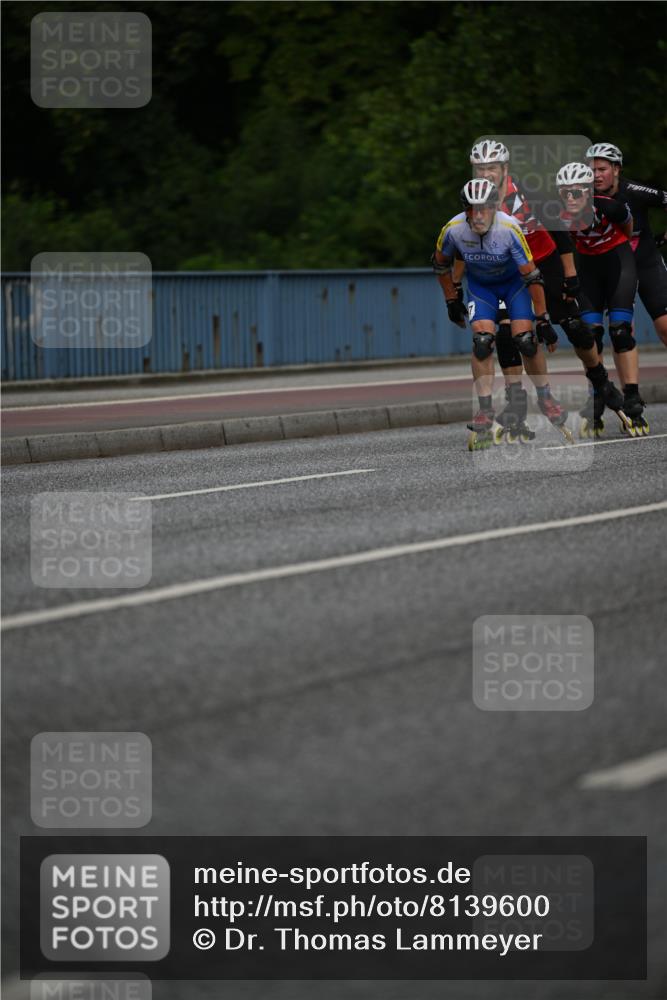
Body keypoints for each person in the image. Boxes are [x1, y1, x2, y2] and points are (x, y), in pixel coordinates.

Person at [469, 139, 593, 436]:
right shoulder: (472, 198)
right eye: (480, 168)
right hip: (508, 273)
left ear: (505, 168)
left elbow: (560, 233)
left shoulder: (527, 193)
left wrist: (570, 276)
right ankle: (516, 404)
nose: (486, 174)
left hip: (545, 262)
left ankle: (600, 382)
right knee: (510, 337)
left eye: (492, 168)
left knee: (575, 328)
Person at [432, 177, 559, 450]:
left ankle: (545, 396)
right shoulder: (453, 230)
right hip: (482, 289)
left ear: (494, 207)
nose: (478, 216)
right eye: (472, 209)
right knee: (482, 343)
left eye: (484, 209)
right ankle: (486, 408)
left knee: (525, 338)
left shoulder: (510, 228)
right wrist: (451, 300)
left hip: (514, 286)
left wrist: (543, 318)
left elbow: (533, 277)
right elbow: (440, 265)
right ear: (464, 210)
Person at [556, 162, 646, 435]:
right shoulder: (557, 215)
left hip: (618, 263)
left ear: (588, 191)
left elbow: (627, 229)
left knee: (620, 331)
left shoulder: (610, 206)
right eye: (565, 193)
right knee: (590, 336)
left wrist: (612, 246)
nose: (571, 199)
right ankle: (598, 393)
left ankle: (632, 398)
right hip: (589, 269)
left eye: (577, 193)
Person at [586, 142, 667, 350]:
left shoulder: (634, 191)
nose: (596, 175)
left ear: (616, 169)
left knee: (665, 325)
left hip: (646, 264)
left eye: (602, 169)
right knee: (620, 333)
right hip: (612, 271)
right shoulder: (582, 198)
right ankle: (621, 384)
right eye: (591, 170)